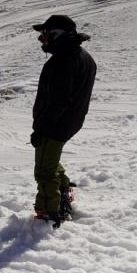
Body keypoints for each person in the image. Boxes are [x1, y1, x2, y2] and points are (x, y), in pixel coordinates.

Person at [30, 15, 96, 225]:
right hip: (68, 122)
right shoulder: (81, 56)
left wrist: (41, 128)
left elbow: (58, 100)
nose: (42, 40)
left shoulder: (62, 61)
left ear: (57, 34)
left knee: (44, 170)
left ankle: (49, 213)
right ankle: (63, 192)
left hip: (55, 125)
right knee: (50, 160)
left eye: (45, 34)